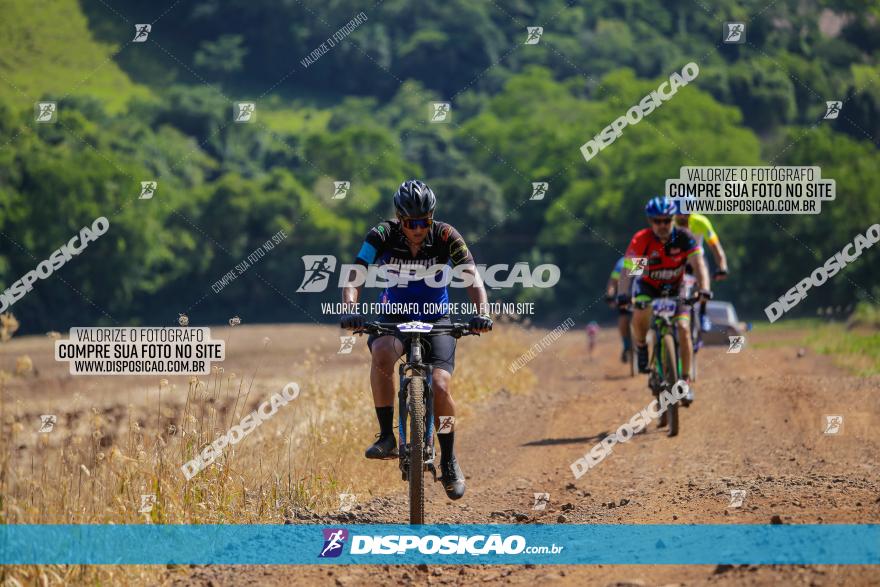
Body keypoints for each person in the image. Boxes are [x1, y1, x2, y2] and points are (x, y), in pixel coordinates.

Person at [339, 180, 492, 500]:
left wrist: (482, 312)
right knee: (381, 352)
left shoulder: (447, 235)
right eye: (412, 223)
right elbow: (356, 274)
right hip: (394, 316)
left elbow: (472, 276)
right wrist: (350, 308)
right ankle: (386, 436)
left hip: (437, 317)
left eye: (425, 221)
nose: (419, 229)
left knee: (440, 386)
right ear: (399, 219)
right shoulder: (380, 235)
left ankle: (449, 459)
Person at [617, 196, 712, 405]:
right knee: (640, 311)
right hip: (648, 287)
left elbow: (698, 264)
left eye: (666, 220)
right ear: (650, 222)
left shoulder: (684, 237)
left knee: (684, 329)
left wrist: (705, 288)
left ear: (673, 219)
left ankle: (684, 382)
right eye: (657, 221)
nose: (662, 225)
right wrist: (623, 294)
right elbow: (628, 271)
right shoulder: (642, 240)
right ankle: (641, 347)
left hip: (676, 288)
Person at [674, 206, 729, 332]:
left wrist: (722, 267)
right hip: (676, 260)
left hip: (696, 259)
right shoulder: (667, 223)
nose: (682, 217)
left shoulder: (701, 221)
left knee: (704, 280)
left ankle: (703, 312)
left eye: (686, 213)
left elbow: (715, 246)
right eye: (679, 213)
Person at [606, 257, 632, 363]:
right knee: (623, 319)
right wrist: (610, 295)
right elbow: (613, 282)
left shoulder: (639, 260)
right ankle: (626, 346)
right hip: (624, 296)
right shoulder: (621, 263)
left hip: (638, 294)